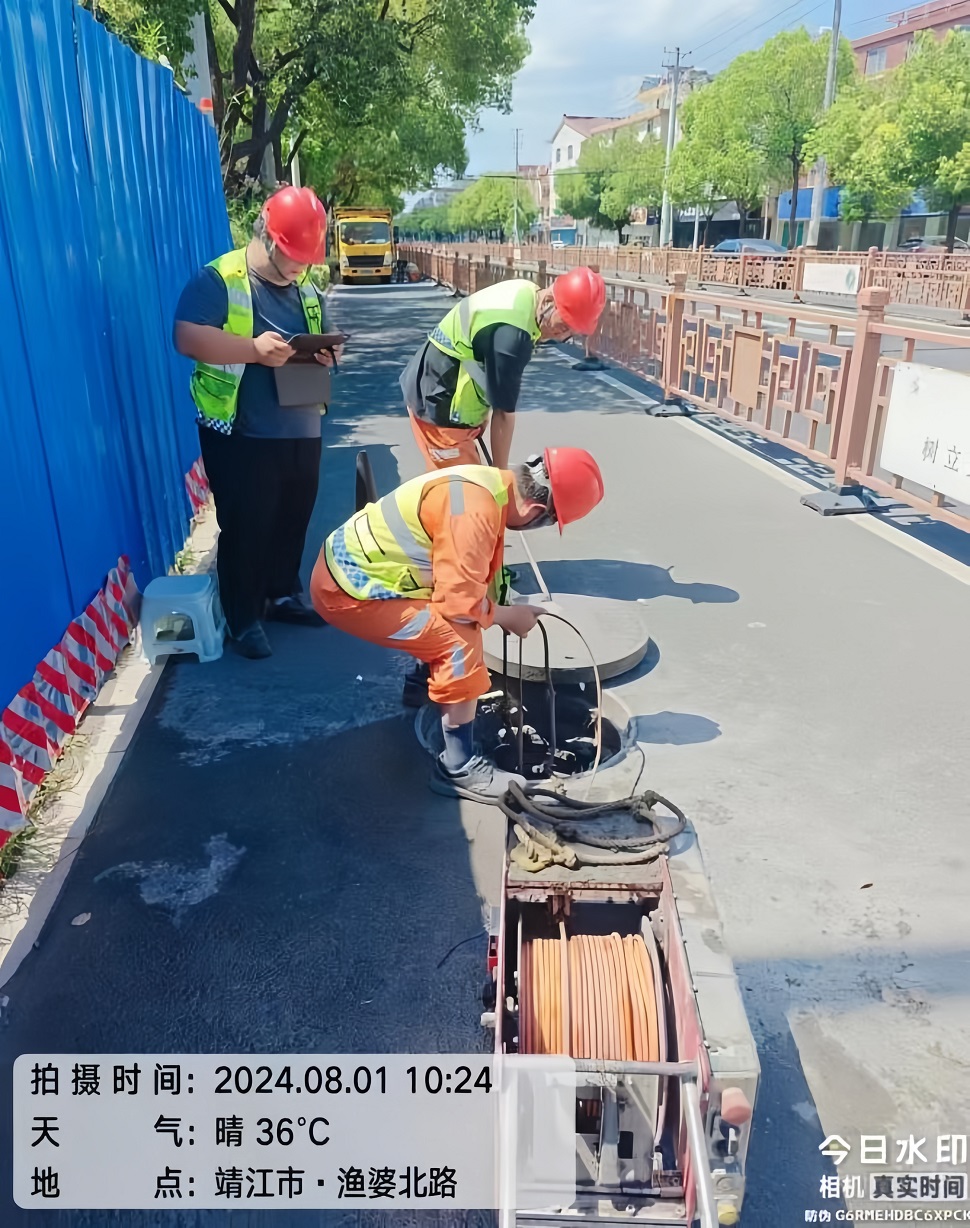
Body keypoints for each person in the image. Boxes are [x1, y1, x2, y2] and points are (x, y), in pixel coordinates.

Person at [309, 447, 605, 801]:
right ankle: (459, 766)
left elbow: (469, 576)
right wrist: (506, 617)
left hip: (357, 572)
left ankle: (424, 683)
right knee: (456, 638)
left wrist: (500, 604)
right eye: (549, 522)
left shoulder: (488, 485)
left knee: (453, 619)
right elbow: (459, 604)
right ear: (537, 510)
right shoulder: (474, 512)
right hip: (348, 591)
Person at [174, 186, 340, 659]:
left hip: (301, 421)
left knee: (294, 515)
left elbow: (316, 333)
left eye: (306, 259)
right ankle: (244, 616)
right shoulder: (219, 280)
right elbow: (187, 337)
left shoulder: (305, 284)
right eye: (291, 256)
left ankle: (283, 593)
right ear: (266, 235)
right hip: (242, 429)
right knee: (248, 523)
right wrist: (252, 350)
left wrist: (328, 354)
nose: (298, 267)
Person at [401, 267, 607, 473]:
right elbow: (504, 414)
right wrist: (499, 475)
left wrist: (479, 418)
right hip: (439, 401)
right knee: (464, 494)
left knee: (453, 487)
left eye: (573, 332)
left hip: (438, 385)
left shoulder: (527, 293)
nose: (562, 336)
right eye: (563, 326)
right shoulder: (512, 337)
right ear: (548, 302)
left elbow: (484, 360)